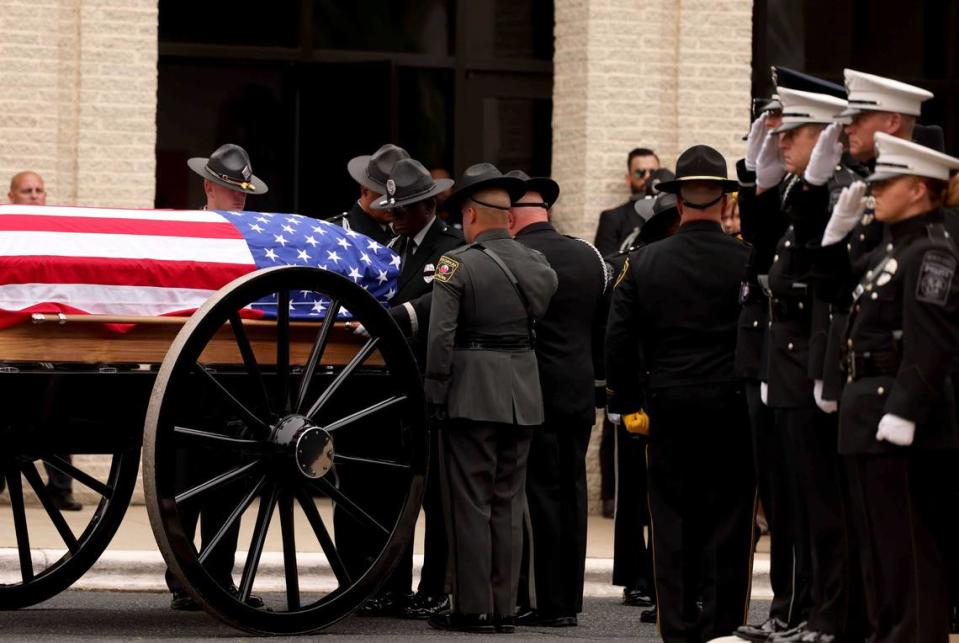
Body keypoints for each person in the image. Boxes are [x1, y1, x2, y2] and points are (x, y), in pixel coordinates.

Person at [606, 145, 754, 642]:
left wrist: (628, 404)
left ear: (678, 200)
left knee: (671, 520)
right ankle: (725, 623)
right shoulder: (748, 261)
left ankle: (680, 628)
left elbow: (619, 338)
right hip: (732, 406)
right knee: (730, 520)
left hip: (667, 404)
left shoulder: (645, 262)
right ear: (724, 200)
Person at [734, 68, 854, 643]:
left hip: (811, 360)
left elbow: (819, 278)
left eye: (793, 133)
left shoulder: (838, 192)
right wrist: (760, 184)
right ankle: (795, 608)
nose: (781, 141)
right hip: (782, 359)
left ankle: (818, 614)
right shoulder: (796, 191)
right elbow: (764, 256)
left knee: (820, 507)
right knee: (791, 502)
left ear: (828, 134)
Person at [424, 163, 557, 634]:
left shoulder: (456, 264)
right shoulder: (539, 265)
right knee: (507, 502)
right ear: (508, 217)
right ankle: (503, 607)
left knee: (470, 503)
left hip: (470, 393)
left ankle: (471, 607)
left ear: (473, 217)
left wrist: (434, 392)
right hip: (523, 390)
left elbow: (440, 337)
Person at [838, 132, 959, 642]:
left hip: (904, 424)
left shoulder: (931, 253)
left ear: (917, 189)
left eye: (885, 183)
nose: (874, 191)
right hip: (870, 418)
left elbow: (932, 343)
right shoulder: (892, 250)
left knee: (910, 557)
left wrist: (906, 408)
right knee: (880, 555)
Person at [356, 158, 462, 619]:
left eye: (403, 208)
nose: (394, 214)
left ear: (428, 206)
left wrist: (394, 318)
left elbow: (437, 299)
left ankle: (435, 586)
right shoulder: (393, 245)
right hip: (394, 387)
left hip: (431, 384)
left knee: (435, 495)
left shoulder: (451, 247)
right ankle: (392, 586)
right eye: (392, 207)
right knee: (396, 492)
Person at [168, 143, 269, 611]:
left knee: (231, 485)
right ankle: (185, 576)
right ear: (209, 186)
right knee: (186, 482)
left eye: (242, 190)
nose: (239, 197)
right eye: (230, 189)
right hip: (192, 375)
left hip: (238, 379)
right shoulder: (187, 235)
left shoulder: (260, 240)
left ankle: (217, 579)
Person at [504, 170, 607, 628]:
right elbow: (601, 326)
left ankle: (542, 600)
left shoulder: (517, 257)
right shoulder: (587, 255)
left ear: (510, 217)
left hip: (535, 390)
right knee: (572, 494)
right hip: (579, 389)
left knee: (538, 496)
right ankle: (567, 600)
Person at [606, 193, 681, 626]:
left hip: (644, 387)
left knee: (642, 488)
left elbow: (617, 334)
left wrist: (621, 394)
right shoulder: (632, 263)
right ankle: (640, 574)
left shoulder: (633, 263)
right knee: (644, 491)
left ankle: (641, 576)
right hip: (651, 386)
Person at [5, 170, 82, 511]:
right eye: (27, 191)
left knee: (59, 402)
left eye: (39, 190)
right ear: (12, 197)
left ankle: (60, 487)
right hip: (11, 336)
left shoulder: (58, 236)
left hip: (52, 334)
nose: (35, 195)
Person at [594, 148, 673, 257]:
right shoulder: (612, 218)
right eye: (640, 173)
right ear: (628, 178)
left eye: (653, 172)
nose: (647, 177)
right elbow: (604, 266)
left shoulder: (673, 213)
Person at [330, 144, 409, 245]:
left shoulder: (404, 233)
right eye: (384, 197)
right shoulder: (338, 233)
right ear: (365, 191)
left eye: (399, 198)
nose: (392, 205)